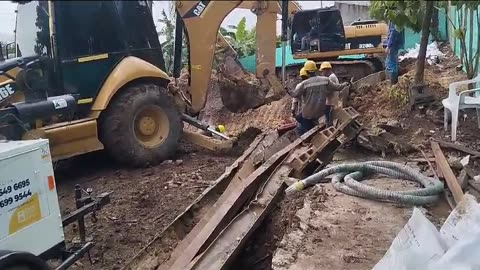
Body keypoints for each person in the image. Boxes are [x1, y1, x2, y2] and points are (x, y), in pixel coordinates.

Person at [288, 60, 349, 135]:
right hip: (320, 111)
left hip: (308, 113)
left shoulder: (304, 84)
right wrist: (346, 83)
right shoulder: (325, 80)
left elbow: (295, 95)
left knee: (300, 121)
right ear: (315, 70)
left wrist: (288, 90)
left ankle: (307, 137)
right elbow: (338, 87)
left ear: (306, 72)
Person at [319, 61, 339, 127]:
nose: (322, 73)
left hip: (331, 102)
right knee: (328, 116)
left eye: (323, 71)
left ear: (326, 69)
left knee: (328, 117)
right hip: (331, 101)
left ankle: (329, 128)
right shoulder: (332, 76)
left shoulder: (331, 78)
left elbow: (329, 90)